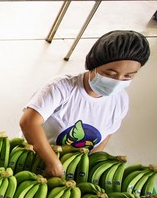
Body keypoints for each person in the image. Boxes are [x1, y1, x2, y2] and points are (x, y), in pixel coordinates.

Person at [19, 30, 150, 178]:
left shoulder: (120, 100)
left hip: (69, 169)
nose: (117, 81)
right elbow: (28, 122)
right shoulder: (61, 87)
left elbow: (107, 135)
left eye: (128, 76)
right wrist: (53, 163)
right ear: (93, 65)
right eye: (110, 74)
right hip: (33, 157)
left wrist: (86, 165)